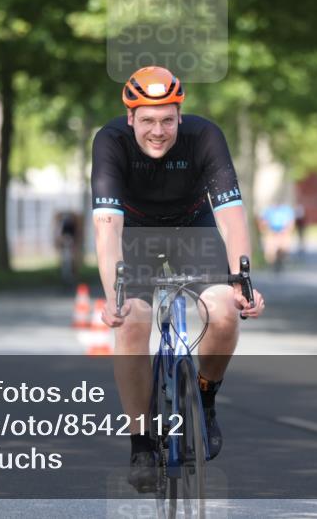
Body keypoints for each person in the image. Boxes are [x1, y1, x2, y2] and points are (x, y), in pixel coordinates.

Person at [91, 65, 265, 492]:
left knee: (224, 311)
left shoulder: (205, 137)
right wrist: (113, 294)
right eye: (147, 120)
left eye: (167, 119)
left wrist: (242, 281)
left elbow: (231, 217)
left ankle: (204, 397)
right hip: (135, 237)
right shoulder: (109, 142)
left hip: (193, 231)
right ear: (130, 118)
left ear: (180, 116)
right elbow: (108, 229)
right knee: (132, 320)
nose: (158, 130)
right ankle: (140, 444)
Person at [260, 203, 295, 271]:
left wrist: (285, 231)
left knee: (284, 247)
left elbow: (290, 222)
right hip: (272, 232)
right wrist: (267, 231)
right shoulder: (269, 211)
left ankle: (281, 260)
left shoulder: (286, 210)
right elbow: (263, 222)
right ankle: (273, 264)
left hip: (283, 232)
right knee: (270, 250)